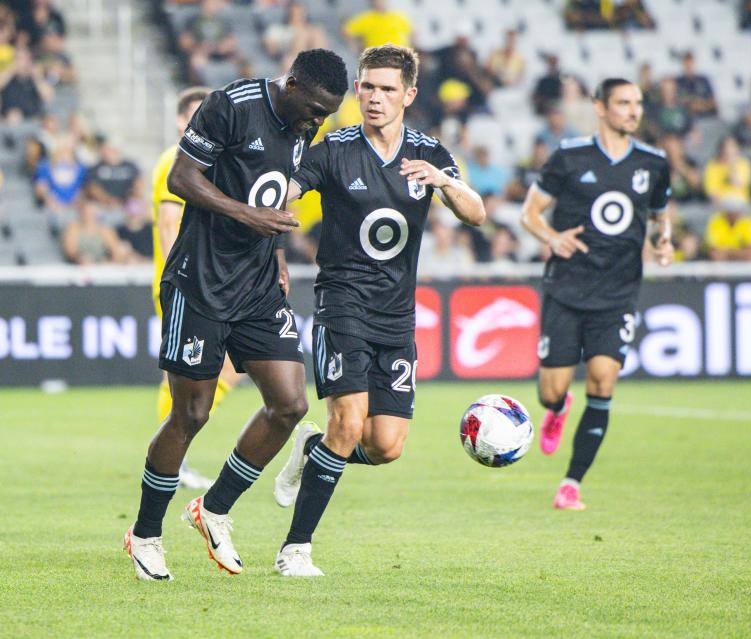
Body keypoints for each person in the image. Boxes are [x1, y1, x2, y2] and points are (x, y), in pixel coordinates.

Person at [123, 49, 348, 582]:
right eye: (315, 109)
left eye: (326, 115)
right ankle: (146, 533)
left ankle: (213, 507)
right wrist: (246, 215)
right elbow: (182, 178)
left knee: (290, 405)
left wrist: (275, 257)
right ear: (291, 84)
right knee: (192, 415)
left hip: (257, 287)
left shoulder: (301, 123)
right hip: (198, 282)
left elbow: (270, 193)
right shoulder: (230, 104)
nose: (318, 121)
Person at [272, 44, 485, 577]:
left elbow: (476, 213)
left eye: (387, 89)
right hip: (342, 302)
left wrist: (445, 183)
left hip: (397, 314)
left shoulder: (429, 152)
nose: (374, 98)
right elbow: (286, 193)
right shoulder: (335, 147)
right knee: (348, 424)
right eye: (367, 86)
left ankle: (313, 450)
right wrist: (273, 217)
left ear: (409, 95)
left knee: (385, 445)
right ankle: (295, 549)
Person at [519, 78, 673, 510]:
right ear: (601, 108)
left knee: (604, 380)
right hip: (567, 287)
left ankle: (571, 483)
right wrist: (552, 237)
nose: (633, 111)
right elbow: (529, 213)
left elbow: (662, 212)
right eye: (624, 103)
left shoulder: (654, 162)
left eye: (638, 103)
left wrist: (665, 240)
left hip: (619, 292)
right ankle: (558, 406)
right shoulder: (570, 157)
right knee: (551, 391)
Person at [148, 87, 243, 491]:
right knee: (189, 373)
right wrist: (183, 282)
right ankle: (172, 454)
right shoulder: (175, 160)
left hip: (210, 285)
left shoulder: (211, 164)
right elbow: (170, 226)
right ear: (179, 121)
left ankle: (175, 450)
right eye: (192, 117)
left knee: (220, 369)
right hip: (188, 286)